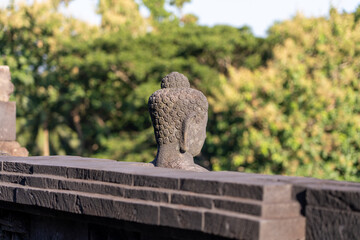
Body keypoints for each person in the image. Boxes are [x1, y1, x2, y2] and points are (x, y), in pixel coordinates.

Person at [148, 72, 209, 172]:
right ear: (188, 129)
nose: (205, 135)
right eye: (203, 128)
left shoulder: (137, 170)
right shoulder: (202, 177)